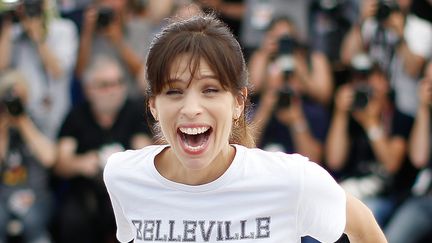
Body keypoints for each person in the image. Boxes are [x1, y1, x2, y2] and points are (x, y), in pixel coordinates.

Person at [103, 14, 387, 243]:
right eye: (174, 92)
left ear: (239, 102)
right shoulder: (123, 175)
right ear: (153, 105)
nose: (191, 108)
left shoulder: (292, 180)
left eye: (210, 90)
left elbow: (364, 229)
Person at [52, 55, 153, 243]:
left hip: (127, 192)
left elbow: (147, 154)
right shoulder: (77, 116)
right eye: (105, 85)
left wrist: (126, 162)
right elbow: (60, 164)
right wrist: (80, 164)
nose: (114, 90)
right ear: (89, 90)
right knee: (71, 219)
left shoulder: (134, 111)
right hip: (86, 195)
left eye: (119, 83)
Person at [325, 54, 418, 227]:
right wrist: (340, 114)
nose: (363, 83)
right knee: (320, 218)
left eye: (369, 76)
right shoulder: (349, 116)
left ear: (385, 82)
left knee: (367, 216)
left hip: (386, 197)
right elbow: (334, 161)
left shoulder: (400, 118)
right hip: (349, 191)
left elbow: (391, 164)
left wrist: (371, 124)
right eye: (357, 77)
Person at [248, 16, 331, 163]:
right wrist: (265, 53)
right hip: (265, 110)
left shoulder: (309, 59)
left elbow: (323, 95)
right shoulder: (262, 56)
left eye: (287, 38)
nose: (282, 43)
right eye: (276, 38)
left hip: (302, 109)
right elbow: (251, 88)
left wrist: (299, 68)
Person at [0, 0, 78, 139]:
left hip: (55, 113)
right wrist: (8, 24)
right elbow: (2, 66)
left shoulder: (63, 29)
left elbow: (57, 70)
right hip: (23, 112)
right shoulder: (14, 33)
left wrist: (37, 37)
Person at [340, 0, 432, 117]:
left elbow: (412, 69)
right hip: (369, 102)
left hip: (404, 111)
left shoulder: (421, 27)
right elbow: (347, 57)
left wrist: (400, 35)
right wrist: (361, 21)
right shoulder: (371, 21)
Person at [0, 70, 56, 243]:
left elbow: (49, 158)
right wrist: (3, 129)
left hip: (37, 194)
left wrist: (23, 121)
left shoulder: (37, 120)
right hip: (4, 196)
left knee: (32, 222)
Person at [384, 61, 432, 243]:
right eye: (428, 82)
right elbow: (419, 159)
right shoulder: (423, 116)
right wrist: (423, 108)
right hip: (425, 199)